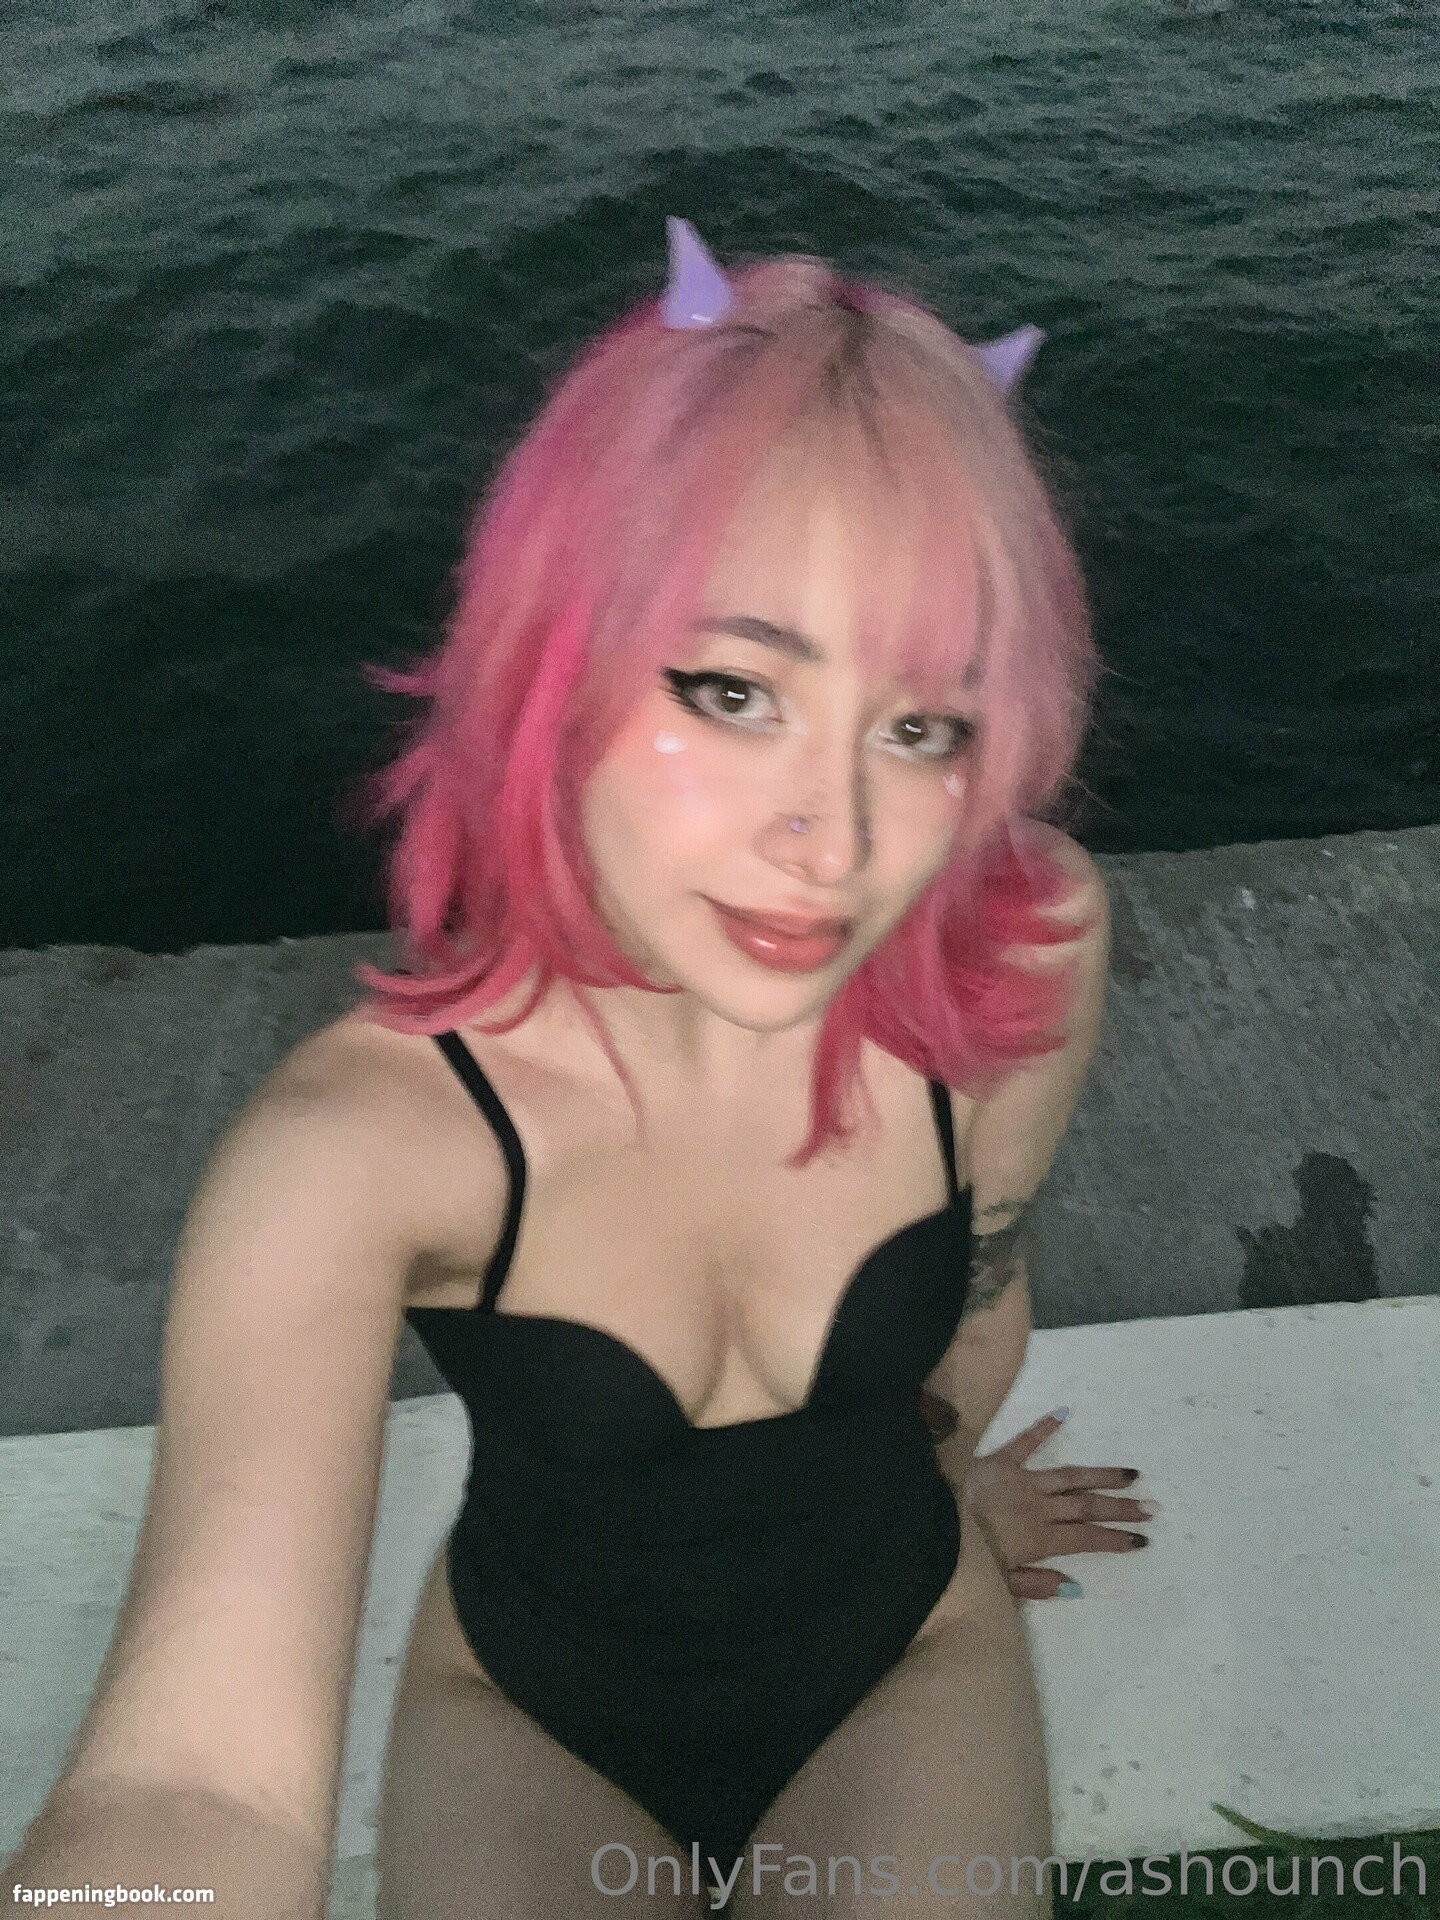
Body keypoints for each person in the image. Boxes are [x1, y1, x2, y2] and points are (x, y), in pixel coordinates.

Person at [6, 222, 1153, 1919]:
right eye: (734, 690)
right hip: (531, 1723)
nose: (835, 840)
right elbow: (194, 1786)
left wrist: (945, 1488)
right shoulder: (363, 1148)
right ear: (556, 662)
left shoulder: (1024, 940)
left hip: (910, 1653)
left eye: (921, 727)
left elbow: (982, 1284)